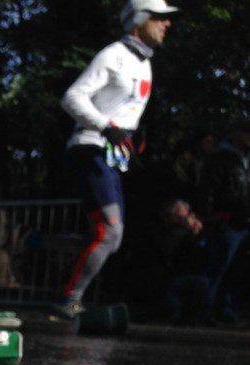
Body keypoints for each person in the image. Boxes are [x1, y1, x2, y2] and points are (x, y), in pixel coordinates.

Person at [56, 0, 178, 318]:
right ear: (138, 21)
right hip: (90, 147)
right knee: (110, 232)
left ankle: (42, 243)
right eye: (159, 18)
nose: (167, 24)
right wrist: (105, 127)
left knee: (110, 236)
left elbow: (125, 112)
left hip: (111, 155)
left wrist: (130, 141)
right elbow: (72, 97)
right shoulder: (113, 55)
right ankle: (69, 300)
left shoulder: (144, 63)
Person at [198, 117, 249, 324]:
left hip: (244, 219)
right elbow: (207, 189)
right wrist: (210, 216)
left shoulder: (243, 158)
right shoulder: (220, 158)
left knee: (236, 268)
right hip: (227, 219)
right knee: (218, 266)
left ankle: (226, 309)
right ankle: (205, 309)